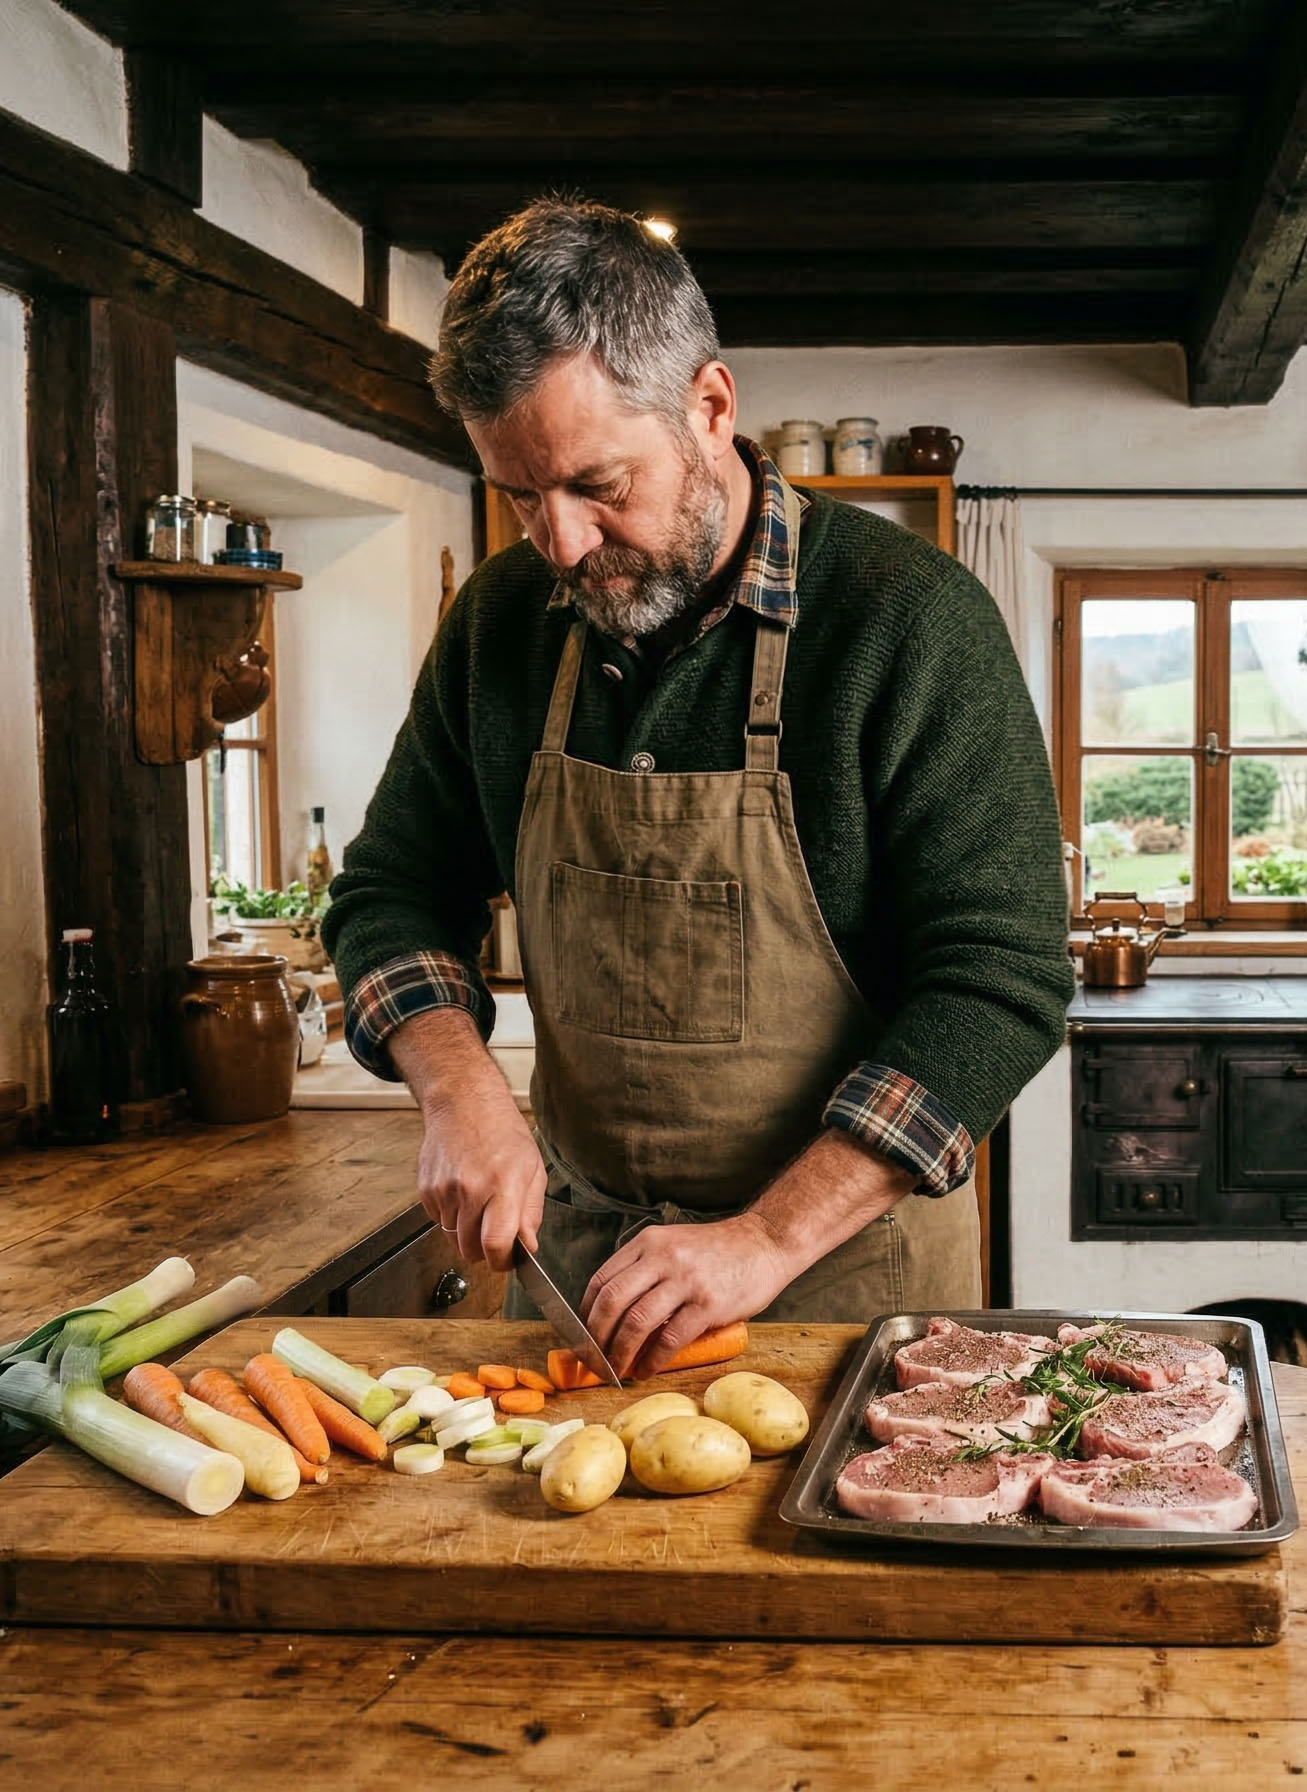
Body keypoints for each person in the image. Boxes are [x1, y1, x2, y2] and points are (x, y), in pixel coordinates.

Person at [322, 197, 1071, 1375]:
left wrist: (766, 1237)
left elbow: (1002, 982)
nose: (561, 543)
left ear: (711, 407)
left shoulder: (910, 622)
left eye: (598, 484)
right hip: (577, 1271)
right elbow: (392, 890)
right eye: (520, 495)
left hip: (843, 1279)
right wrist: (457, 1085)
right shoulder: (500, 624)